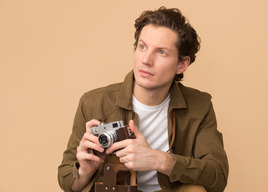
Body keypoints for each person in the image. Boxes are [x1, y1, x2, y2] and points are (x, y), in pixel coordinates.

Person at [58, 6, 229, 192]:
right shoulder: (94, 103)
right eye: (142, 47)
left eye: (161, 52)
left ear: (181, 64)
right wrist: (85, 171)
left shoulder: (200, 106)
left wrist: (160, 160)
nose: (146, 60)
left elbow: (218, 176)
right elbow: (67, 182)